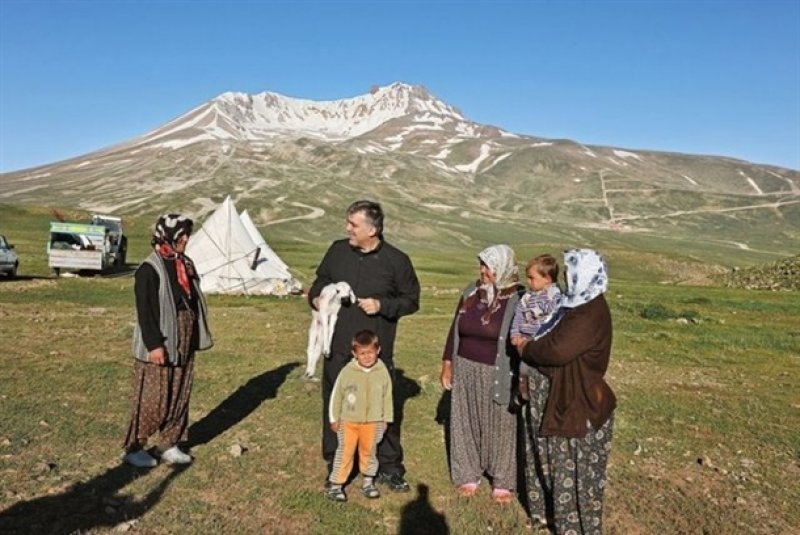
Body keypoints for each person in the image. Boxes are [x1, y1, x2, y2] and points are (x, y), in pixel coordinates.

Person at [308, 200, 420, 492]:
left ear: (372, 230)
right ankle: (337, 465)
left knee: (381, 408)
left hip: (374, 353)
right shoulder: (337, 250)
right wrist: (318, 297)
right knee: (335, 407)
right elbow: (320, 280)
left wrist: (382, 304)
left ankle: (388, 466)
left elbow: (411, 300)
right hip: (338, 347)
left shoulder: (397, 260)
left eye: (353, 224)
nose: (348, 228)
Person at [514, 249, 616, 534]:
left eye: (572, 273)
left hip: (574, 398)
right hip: (559, 393)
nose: (568, 279)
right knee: (550, 458)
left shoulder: (588, 312)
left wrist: (527, 348)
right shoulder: (577, 304)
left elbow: (557, 349)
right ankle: (549, 513)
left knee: (570, 466)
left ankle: (572, 525)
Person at [122, 214, 213, 468]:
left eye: (187, 235)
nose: (185, 240)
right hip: (160, 340)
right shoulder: (148, 270)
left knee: (180, 391)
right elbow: (146, 312)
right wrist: (155, 345)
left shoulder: (184, 263)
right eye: (180, 236)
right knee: (154, 396)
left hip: (184, 337)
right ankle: (135, 447)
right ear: (167, 236)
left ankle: (169, 443)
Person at [439, 244, 523, 504]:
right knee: (465, 419)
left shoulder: (517, 298)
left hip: (498, 369)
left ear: (502, 267)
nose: (482, 270)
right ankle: (468, 472)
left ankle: (502, 479)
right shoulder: (471, 291)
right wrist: (448, 363)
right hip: (465, 366)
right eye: (482, 265)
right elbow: (456, 327)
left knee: (500, 422)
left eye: (487, 266)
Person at [326, 330, 393, 502]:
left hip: (372, 422)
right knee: (345, 452)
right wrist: (334, 419)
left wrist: (386, 418)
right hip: (348, 422)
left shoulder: (382, 371)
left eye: (370, 352)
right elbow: (336, 395)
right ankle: (336, 485)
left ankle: (368, 482)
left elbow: (387, 396)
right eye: (362, 353)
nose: (367, 357)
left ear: (377, 350)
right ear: (354, 353)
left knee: (369, 452)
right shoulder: (347, 372)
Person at [509, 254, 562, 407]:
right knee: (522, 369)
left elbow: (550, 322)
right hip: (523, 339)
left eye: (532, 278)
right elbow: (518, 316)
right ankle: (523, 393)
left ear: (547, 278)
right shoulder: (527, 297)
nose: (529, 281)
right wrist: (515, 334)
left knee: (530, 369)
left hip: (539, 341)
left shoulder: (555, 298)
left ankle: (528, 394)